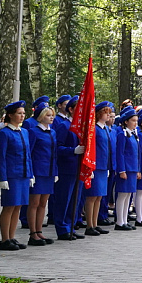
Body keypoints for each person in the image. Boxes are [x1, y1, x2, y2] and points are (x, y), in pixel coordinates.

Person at [0, 101, 34, 251]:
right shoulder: (4, 133)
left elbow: (28, 155)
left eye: (23, 113)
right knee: (9, 207)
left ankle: (12, 237)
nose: (22, 116)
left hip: (23, 174)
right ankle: (4, 239)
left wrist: (30, 174)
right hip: (11, 175)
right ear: (10, 115)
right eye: (19, 113)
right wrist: (2, 178)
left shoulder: (24, 132)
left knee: (18, 206)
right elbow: (1, 157)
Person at [52, 94, 86, 241]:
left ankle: (70, 226)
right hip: (66, 168)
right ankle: (62, 228)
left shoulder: (82, 127)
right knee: (63, 199)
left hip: (78, 168)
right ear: (71, 109)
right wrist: (72, 150)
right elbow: (57, 148)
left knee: (75, 200)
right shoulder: (64, 126)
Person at [26, 104, 57, 246]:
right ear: (40, 116)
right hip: (38, 171)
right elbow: (29, 154)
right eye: (48, 115)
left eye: (52, 116)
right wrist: (30, 173)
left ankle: (39, 231)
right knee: (34, 203)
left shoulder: (53, 132)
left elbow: (54, 154)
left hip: (49, 172)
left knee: (43, 203)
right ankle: (32, 233)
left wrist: (55, 171)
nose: (51, 118)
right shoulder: (33, 132)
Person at [83, 101, 114, 237]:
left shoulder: (105, 128)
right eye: (106, 112)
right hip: (95, 166)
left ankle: (95, 224)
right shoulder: (94, 128)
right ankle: (89, 224)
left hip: (103, 166)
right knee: (92, 196)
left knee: (99, 197)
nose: (108, 115)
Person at [112, 107, 139, 231]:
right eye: (133, 120)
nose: (135, 123)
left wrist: (137, 169)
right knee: (122, 195)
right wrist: (121, 170)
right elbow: (120, 153)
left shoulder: (133, 134)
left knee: (128, 195)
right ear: (126, 121)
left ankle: (124, 220)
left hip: (132, 169)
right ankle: (119, 221)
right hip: (126, 169)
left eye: (136, 121)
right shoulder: (122, 135)